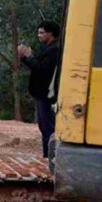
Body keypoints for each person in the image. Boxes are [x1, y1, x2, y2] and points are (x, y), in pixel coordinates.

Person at [18, 20, 61, 158]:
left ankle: (51, 157)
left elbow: (42, 69)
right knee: (44, 128)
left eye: (42, 32)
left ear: (51, 33)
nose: (39, 35)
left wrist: (29, 56)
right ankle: (46, 156)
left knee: (48, 128)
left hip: (47, 95)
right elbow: (37, 64)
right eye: (38, 32)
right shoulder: (47, 48)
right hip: (41, 94)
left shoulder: (54, 50)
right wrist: (25, 57)